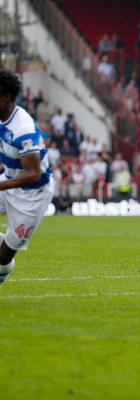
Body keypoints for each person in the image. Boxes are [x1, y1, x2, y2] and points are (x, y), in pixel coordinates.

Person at [0, 70, 54, 286]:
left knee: (4, 256)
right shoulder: (3, 119)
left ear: (5, 97)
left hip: (33, 196)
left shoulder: (22, 129)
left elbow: (34, 174)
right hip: (10, 181)